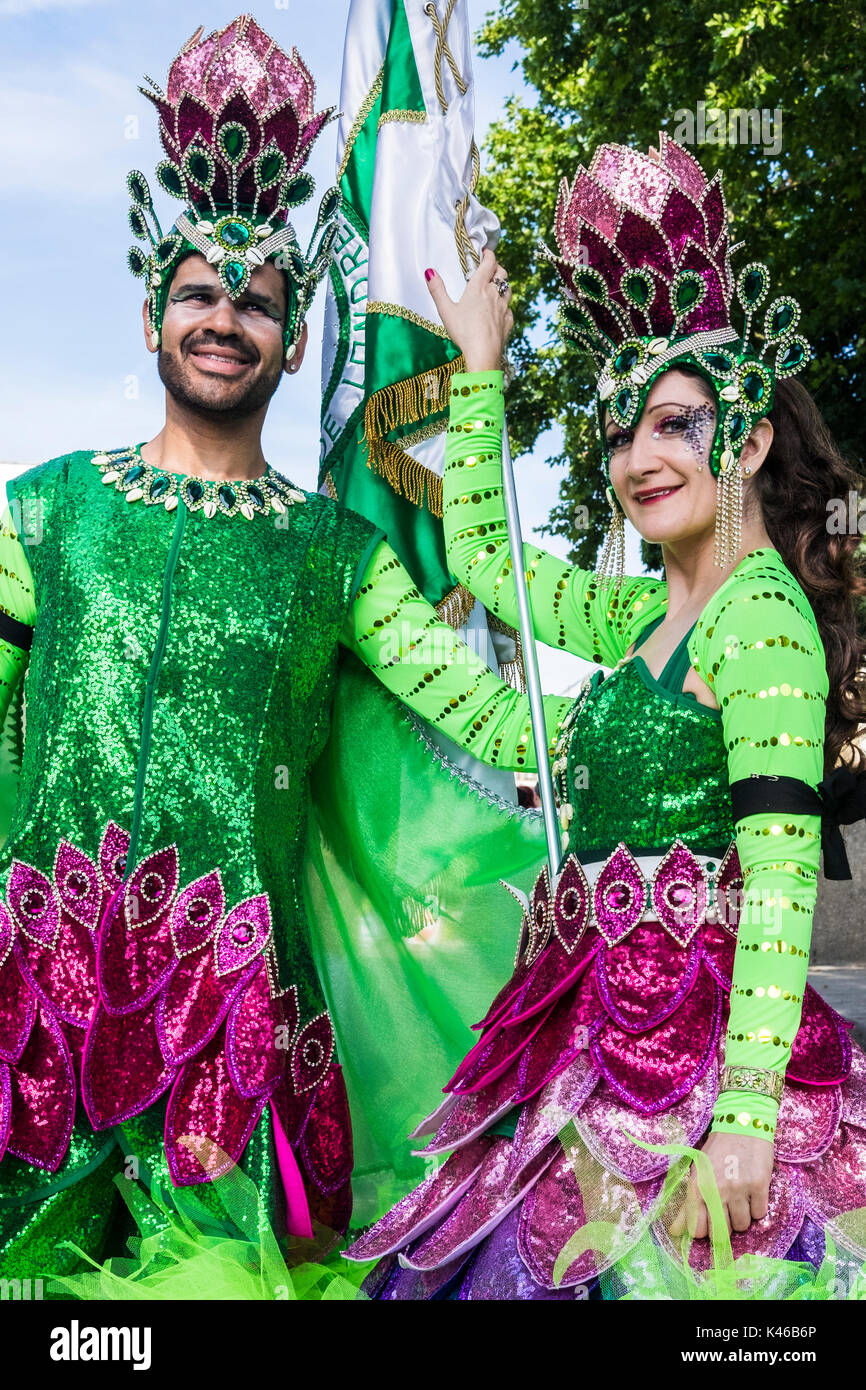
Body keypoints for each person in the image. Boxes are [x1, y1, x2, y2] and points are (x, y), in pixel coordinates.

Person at [0, 16, 570, 1292]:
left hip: (235, 1045)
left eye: (256, 301)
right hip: (30, 1013)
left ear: (297, 339)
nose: (225, 319)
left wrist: (658, 718)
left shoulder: (337, 555)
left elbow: (475, 704)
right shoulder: (39, 509)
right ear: (153, 316)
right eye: (199, 293)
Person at [345, 134, 866, 1299]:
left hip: (698, 1072)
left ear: (746, 436)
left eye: (675, 424)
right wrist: (478, 371)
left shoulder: (759, 618)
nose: (638, 456)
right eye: (621, 429)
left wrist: (740, 1120)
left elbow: (781, 880)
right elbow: (485, 559)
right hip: (584, 1037)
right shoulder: (640, 609)